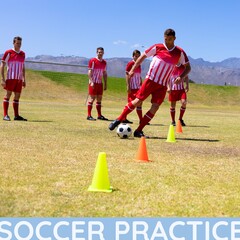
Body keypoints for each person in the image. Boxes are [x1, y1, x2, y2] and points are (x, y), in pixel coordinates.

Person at [109, 28, 191, 137]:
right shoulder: (157, 47)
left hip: (162, 85)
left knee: (155, 107)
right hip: (150, 80)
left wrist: (181, 77)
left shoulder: (179, 52)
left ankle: (139, 130)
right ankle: (118, 119)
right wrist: (133, 69)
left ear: (175, 38)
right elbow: (142, 57)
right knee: (137, 101)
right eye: (166, 39)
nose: (167, 41)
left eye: (170, 39)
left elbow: (188, 68)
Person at [1, 36, 27, 121]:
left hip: (19, 79)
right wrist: (2, 79)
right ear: (13, 43)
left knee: (17, 96)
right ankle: (5, 115)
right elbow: (2, 66)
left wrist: (24, 79)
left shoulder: (23, 54)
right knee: (8, 94)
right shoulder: (8, 52)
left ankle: (16, 116)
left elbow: (23, 66)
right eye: (17, 43)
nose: (19, 45)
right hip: (10, 78)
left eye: (20, 43)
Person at [87, 47, 108, 121]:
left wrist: (105, 83)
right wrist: (91, 81)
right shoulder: (93, 61)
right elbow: (89, 72)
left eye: (101, 52)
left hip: (99, 83)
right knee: (92, 98)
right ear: (96, 52)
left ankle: (99, 115)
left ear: (103, 53)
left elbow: (104, 73)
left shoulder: (104, 62)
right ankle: (89, 115)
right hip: (93, 83)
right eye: (99, 52)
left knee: (99, 99)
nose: (100, 53)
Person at [122, 49, 143, 124]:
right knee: (131, 103)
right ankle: (123, 118)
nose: (137, 57)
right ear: (133, 56)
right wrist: (128, 86)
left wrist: (141, 83)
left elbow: (139, 76)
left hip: (138, 87)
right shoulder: (131, 64)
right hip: (132, 87)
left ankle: (141, 120)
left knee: (140, 103)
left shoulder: (139, 64)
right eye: (135, 56)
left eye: (138, 56)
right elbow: (127, 75)